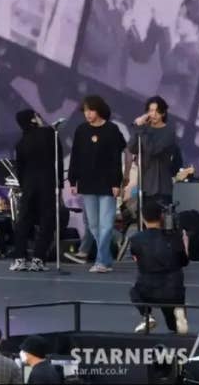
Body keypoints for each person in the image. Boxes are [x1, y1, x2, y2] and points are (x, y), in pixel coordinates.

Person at [68, 95, 126, 272]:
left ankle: (101, 262)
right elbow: (75, 156)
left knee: (106, 224)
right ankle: (106, 261)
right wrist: (73, 180)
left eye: (91, 110)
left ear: (99, 110)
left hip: (108, 183)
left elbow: (116, 158)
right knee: (93, 225)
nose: (88, 114)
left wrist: (116, 182)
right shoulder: (81, 130)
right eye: (85, 110)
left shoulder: (112, 129)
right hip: (87, 183)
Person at [9, 109, 63, 272]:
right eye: (37, 116)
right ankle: (38, 259)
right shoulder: (50, 134)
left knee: (24, 221)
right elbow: (58, 160)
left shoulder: (21, 142)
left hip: (29, 185)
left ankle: (19, 258)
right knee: (47, 221)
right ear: (33, 120)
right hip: (48, 183)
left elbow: (20, 169)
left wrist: (24, 185)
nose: (40, 118)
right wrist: (59, 183)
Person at [129, 199, 189, 334]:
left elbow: (137, 259)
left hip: (147, 289)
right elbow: (184, 262)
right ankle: (178, 312)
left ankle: (147, 315)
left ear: (143, 218)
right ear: (161, 216)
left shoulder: (136, 239)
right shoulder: (174, 237)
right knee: (174, 325)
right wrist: (185, 246)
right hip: (173, 290)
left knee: (134, 292)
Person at [157, 0, 199, 117]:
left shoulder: (193, 57)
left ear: (196, 26)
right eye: (179, 15)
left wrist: (164, 31)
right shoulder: (181, 48)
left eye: (184, 17)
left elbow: (167, 65)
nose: (178, 19)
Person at [127, 96, 178, 206]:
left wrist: (141, 129)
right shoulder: (144, 129)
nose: (153, 114)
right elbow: (132, 148)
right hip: (144, 184)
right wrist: (138, 128)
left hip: (161, 187)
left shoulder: (169, 132)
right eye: (151, 111)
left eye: (157, 111)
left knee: (160, 216)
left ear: (163, 113)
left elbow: (153, 150)